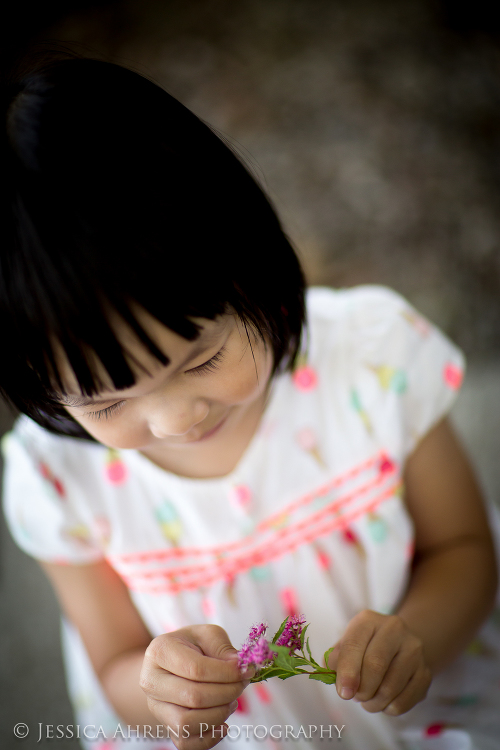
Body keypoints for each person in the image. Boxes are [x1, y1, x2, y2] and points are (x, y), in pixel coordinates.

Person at [1, 53, 499, 750]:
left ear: (251, 263)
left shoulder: (373, 363)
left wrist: (418, 635)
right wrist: (161, 693)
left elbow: (467, 549)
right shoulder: (61, 480)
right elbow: (113, 661)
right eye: (108, 403)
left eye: (201, 358)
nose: (177, 418)